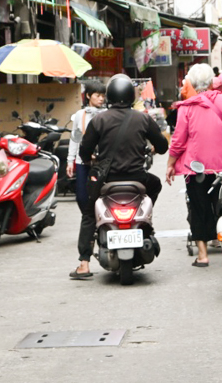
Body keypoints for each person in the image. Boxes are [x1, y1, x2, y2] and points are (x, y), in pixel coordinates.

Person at [78, 75, 168, 252]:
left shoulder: (98, 120)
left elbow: (84, 152)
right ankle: (144, 220)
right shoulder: (143, 119)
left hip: (106, 179)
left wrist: (94, 159)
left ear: (109, 95)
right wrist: (152, 150)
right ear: (131, 96)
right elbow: (163, 146)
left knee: (89, 213)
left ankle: (84, 263)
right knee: (155, 184)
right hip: (137, 178)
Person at [166, 64, 222, 267]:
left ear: (191, 83)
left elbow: (178, 140)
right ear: (211, 82)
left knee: (198, 207)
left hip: (195, 167)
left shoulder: (187, 108)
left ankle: (202, 255)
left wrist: (170, 164)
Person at [67, 81, 106, 280]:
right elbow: (75, 139)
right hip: (83, 163)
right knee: (83, 199)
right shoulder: (79, 116)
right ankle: (93, 228)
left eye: (103, 95)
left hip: (102, 164)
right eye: (97, 95)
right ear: (88, 95)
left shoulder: (107, 115)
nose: (101, 98)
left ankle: (97, 229)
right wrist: (70, 161)